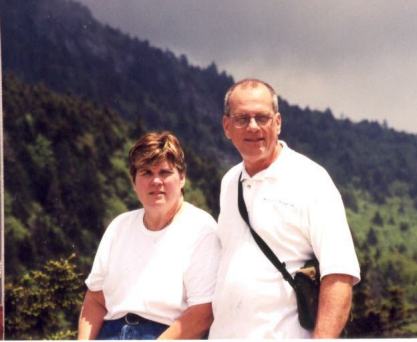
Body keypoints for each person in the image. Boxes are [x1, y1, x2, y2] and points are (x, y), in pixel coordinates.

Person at [208, 79, 360, 339]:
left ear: (277, 122)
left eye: (262, 117)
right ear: (227, 126)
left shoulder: (311, 179)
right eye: (242, 118)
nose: (253, 127)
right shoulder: (229, 182)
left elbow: (340, 274)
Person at [78, 131, 220, 340]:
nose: (156, 181)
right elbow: (95, 299)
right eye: (146, 172)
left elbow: (202, 313)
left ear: (182, 178)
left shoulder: (201, 228)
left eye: (165, 172)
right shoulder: (119, 226)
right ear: (134, 182)